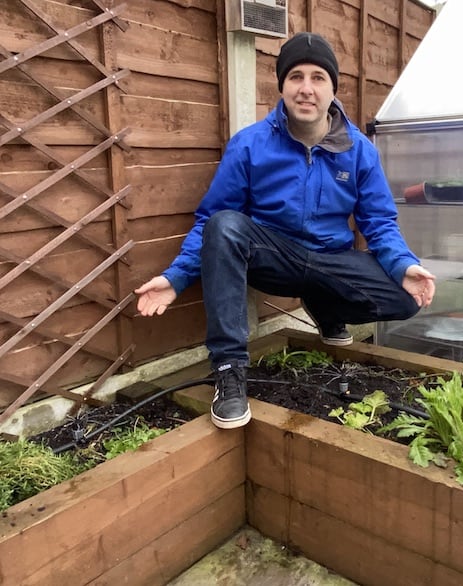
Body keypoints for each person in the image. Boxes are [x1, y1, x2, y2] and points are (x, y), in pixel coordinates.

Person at [135, 32, 436, 430]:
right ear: (282, 86)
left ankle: (325, 308)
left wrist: (403, 266)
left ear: (332, 88)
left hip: (330, 261)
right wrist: (176, 278)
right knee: (226, 224)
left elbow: (378, 221)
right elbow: (213, 220)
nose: (306, 89)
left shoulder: (359, 151)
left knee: (407, 297)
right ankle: (229, 370)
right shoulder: (250, 145)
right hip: (274, 259)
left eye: (317, 78)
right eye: (296, 77)